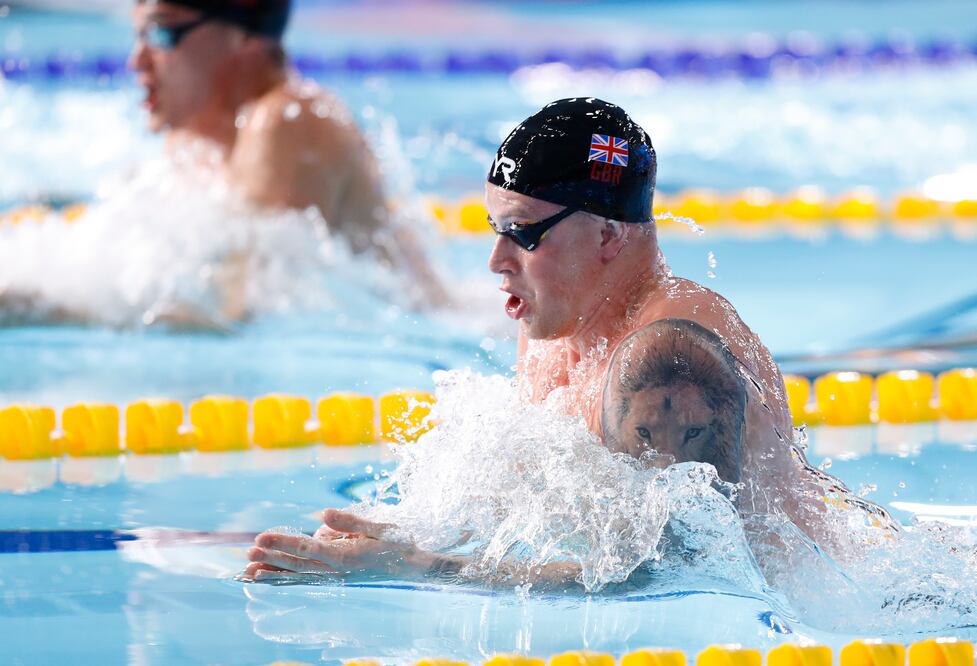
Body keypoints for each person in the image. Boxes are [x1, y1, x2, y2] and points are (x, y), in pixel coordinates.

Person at [242, 98, 896, 586]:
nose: (497, 260)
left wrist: (418, 565)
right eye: (494, 229)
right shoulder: (557, 325)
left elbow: (680, 582)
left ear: (608, 234)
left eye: (523, 234)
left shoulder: (668, 367)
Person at [1, 0, 446, 328]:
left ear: (246, 35)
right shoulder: (194, 146)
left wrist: (40, 307)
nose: (136, 61)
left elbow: (230, 303)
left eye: (159, 34)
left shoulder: (288, 118)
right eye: (136, 37)